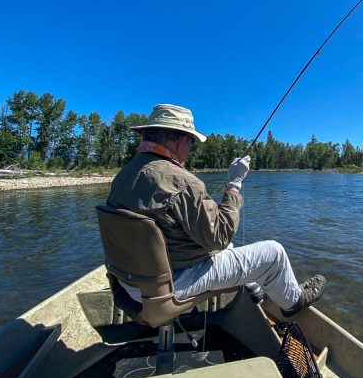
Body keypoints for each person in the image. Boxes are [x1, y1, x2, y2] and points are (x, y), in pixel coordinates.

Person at [106, 103, 325, 317]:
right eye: (191, 142)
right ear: (181, 140)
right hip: (167, 287)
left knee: (225, 247)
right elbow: (220, 236)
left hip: (128, 282)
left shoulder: (124, 175)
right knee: (273, 253)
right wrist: (234, 184)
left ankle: (254, 290)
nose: (190, 150)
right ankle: (292, 302)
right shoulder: (181, 182)